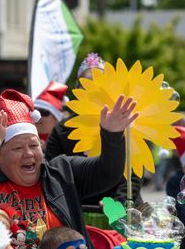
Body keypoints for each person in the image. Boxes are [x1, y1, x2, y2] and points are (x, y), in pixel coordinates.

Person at [0, 88, 137, 249]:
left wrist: (112, 136)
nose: (28, 153)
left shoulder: (63, 171)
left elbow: (108, 173)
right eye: (18, 148)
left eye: (33, 145)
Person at [45, 53, 143, 208]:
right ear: (77, 88)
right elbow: (52, 172)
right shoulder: (62, 129)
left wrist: (117, 203)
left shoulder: (126, 121)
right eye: (86, 84)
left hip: (120, 210)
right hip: (77, 209)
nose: (92, 90)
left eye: (99, 84)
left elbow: (133, 172)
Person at [33, 81, 68, 150]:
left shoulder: (67, 142)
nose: (37, 116)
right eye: (33, 110)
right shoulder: (20, 139)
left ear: (57, 118)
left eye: (43, 112)